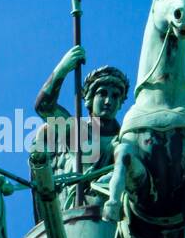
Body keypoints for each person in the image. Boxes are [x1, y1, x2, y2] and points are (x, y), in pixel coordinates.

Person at [34, 45, 129, 208]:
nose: (108, 101)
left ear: (121, 103)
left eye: (115, 96)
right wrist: (62, 69)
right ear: (89, 99)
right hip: (81, 211)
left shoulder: (126, 138)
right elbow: (43, 107)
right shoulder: (76, 131)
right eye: (102, 93)